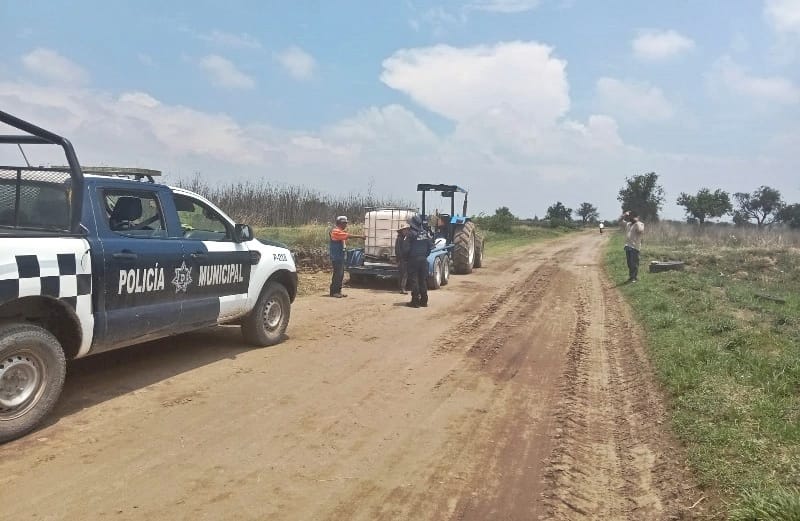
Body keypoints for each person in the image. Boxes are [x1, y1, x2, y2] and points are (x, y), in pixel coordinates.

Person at [329, 216, 365, 298]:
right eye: (344, 223)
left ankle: (338, 291)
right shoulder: (335, 231)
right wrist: (360, 236)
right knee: (338, 274)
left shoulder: (340, 231)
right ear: (340, 223)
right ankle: (334, 292)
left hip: (340, 256)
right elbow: (348, 236)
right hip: (336, 257)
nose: (346, 225)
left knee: (340, 274)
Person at [405, 215, 434, 308]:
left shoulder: (410, 234)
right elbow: (430, 247)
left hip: (413, 260)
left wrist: (406, 259)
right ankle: (424, 301)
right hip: (423, 260)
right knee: (422, 281)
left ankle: (415, 302)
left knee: (414, 281)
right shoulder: (425, 233)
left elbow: (406, 249)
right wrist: (424, 256)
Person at [621, 210, 645, 283]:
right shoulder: (628, 224)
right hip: (628, 246)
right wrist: (624, 215)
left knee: (634, 263)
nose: (631, 218)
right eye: (630, 216)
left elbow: (640, 231)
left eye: (633, 217)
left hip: (635, 247)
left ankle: (634, 277)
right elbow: (620, 221)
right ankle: (631, 277)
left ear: (637, 217)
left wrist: (636, 222)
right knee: (629, 263)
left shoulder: (640, 224)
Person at [395, 223, 411, 294]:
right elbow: (398, 250)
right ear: (402, 231)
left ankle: (401, 288)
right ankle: (402, 288)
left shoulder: (405, 238)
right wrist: (399, 259)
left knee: (402, 274)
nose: (406, 231)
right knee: (404, 274)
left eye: (407, 230)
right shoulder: (399, 239)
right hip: (402, 259)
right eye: (404, 230)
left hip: (405, 259)